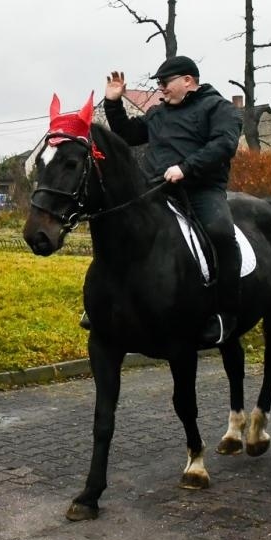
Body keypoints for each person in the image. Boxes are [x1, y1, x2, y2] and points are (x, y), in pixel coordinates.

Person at [100, 55, 243, 343]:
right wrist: (113, 103)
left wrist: (186, 168)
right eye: (159, 84)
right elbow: (127, 134)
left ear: (188, 81)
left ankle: (225, 313)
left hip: (201, 190)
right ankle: (106, 304)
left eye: (165, 83)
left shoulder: (219, 108)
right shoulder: (158, 113)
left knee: (220, 233)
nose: (161, 89)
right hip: (156, 190)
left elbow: (224, 145)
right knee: (120, 231)